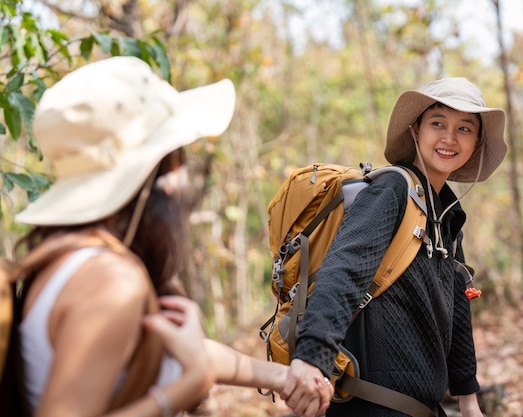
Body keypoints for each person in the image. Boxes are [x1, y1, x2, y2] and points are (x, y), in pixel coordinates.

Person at [0, 56, 331, 417]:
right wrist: (186, 387)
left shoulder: (70, 257)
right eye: (178, 155)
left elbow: (173, 349)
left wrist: (284, 377)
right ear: (163, 173)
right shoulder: (110, 281)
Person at [280, 77, 507, 417]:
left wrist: (468, 398)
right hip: (372, 403)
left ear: (476, 142)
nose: (449, 138)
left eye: (464, 128)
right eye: (437, 123)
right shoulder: (392, 190)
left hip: (424, 407)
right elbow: (344, 269)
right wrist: (313, 358)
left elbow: (458, 311)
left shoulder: (447, 218)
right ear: (416, 130)